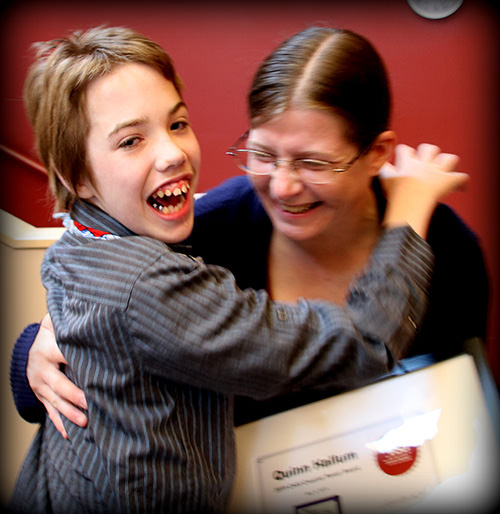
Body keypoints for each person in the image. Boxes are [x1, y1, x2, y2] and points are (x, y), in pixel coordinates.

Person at [8, 25, 470, 513]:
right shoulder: (203, 236)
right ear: (76, 177)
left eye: (179, 124)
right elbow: (367, 341)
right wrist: (35, 350)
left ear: (376, 154)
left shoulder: (449, 247)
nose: (171, 153)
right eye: (265, 155)